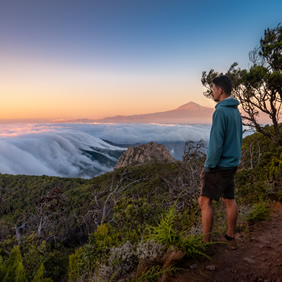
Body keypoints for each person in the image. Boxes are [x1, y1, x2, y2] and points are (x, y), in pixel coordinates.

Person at [199, 75, 242, 249]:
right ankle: (230, 238)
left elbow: (216, 145)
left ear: (220, 90)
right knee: (229, 200)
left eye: (213, 89)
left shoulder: (220, 112)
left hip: (219, 166)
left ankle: (206, 244)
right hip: (232, 164)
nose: (212, 92)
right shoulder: (235, 111)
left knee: (204, 202)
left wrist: (208, 166)